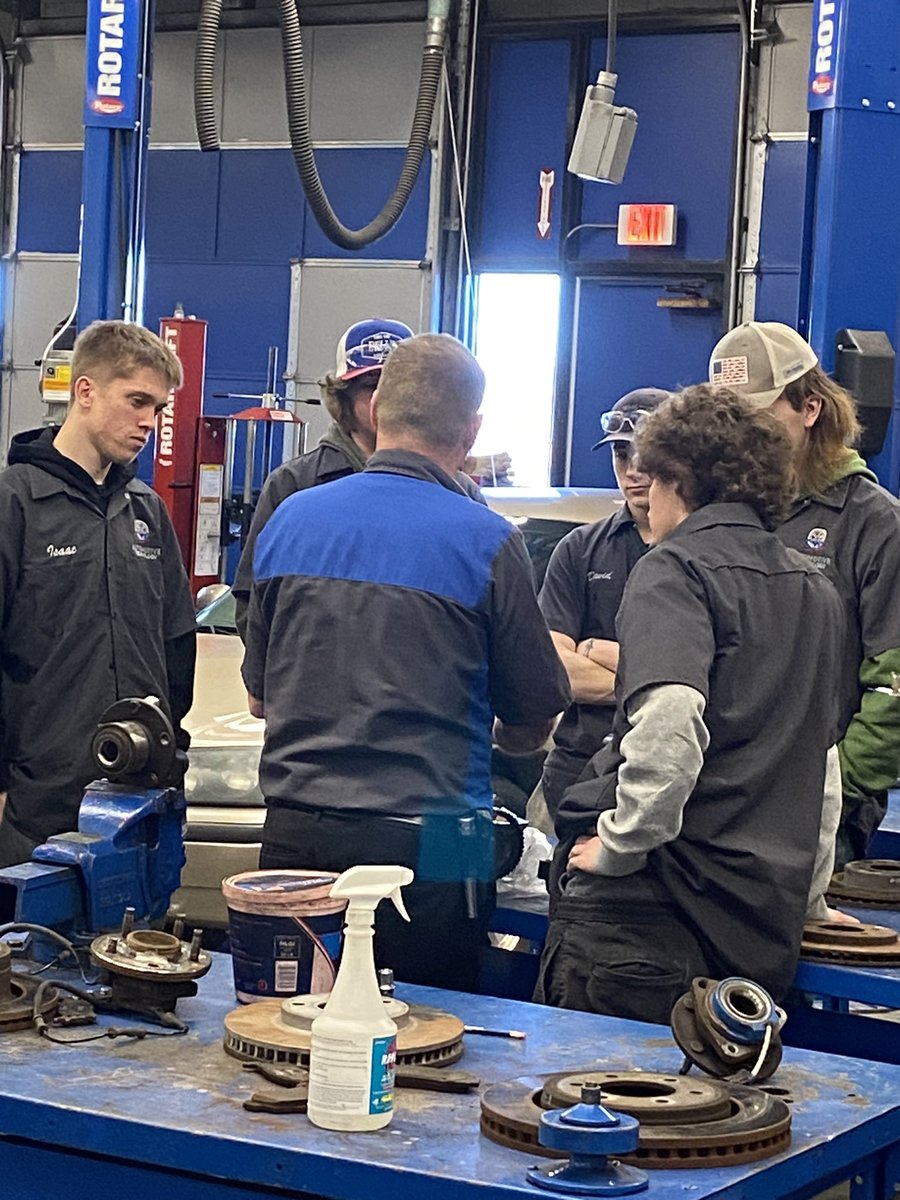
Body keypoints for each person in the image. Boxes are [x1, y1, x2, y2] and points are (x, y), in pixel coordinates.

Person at [241, 333, 570, 991]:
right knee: (431, 1038)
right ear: (472, 430)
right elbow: (535, 716)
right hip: (445, 834)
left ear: (377, 411)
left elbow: (259, 698)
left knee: (283, 1028)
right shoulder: (488, 540)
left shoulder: (290, 518)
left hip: (296, 831)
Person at [535, 386, 844, 1024]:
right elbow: (823, 768)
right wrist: (808, 896)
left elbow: (670, 723)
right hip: (756, 928)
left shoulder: (673, 570)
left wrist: (621, 842)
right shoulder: (814, 588)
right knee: (714, 1116)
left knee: (599, 1109)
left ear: (675, 476)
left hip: (648, 913)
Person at [0, 320, 197, 867]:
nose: (149, 423)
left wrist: (168, 754)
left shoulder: (147, 513)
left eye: (158, 408)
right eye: (137, 401)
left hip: (134, 801)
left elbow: (176, 647)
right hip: (35, 808)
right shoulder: (14, 504)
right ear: (84, 392)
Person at [709, 321, 900, 865]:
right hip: (721, 793)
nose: (739, 436)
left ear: (810, 408)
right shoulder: (722, 514)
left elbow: (895, 689)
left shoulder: (875, 525)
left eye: (757, 416)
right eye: (729, 419)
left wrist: (833, 786)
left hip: (816, 811)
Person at [233, 317, 484, 640]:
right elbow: (252, 603)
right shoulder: (293, 485)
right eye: (370, 385)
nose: (384, 396)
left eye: (394, 384)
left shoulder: (460, 493)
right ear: (343, 396)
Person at [537, 388, 672, 827]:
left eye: (644, 454)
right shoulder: (579, 550)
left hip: (672, 776)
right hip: (578, 770)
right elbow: (555, 668)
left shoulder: (705, 552)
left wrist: (599, 653)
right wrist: (661, 687)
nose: (632, 470)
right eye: (620, 454)